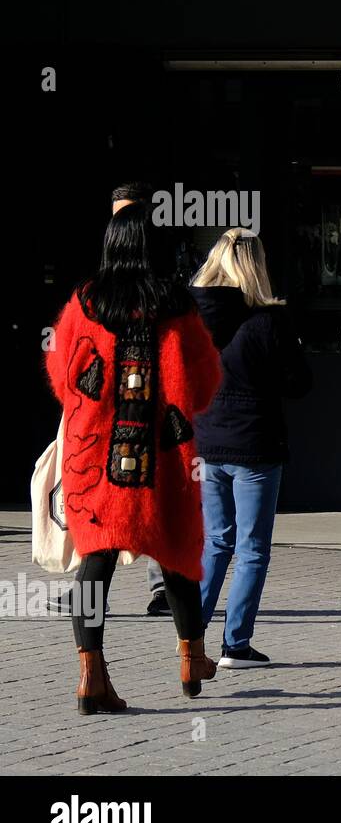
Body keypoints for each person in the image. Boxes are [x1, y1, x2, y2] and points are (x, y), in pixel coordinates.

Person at [45, 202, 223, 714]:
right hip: (162, 457)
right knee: (177, 555)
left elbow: (61, 373)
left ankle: (90, 674)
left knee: (94, 561)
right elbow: (206, 380)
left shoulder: (84, 302)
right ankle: (192, 658)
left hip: (94, 454)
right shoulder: (177, 304)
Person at [45, 182, 174, 617]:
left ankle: (159, 592)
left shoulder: (155, 289)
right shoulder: (101, 290)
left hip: (137, 419)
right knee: (102, 510)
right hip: (104, 421)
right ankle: (97, 595)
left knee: (147, 505)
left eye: (128, 216)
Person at [191, 229, 312, 668]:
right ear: (257, 265)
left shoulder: (194, 317)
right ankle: (235, 646)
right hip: (255, 444)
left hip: (207, 439)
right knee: (252, 548)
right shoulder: (270, 320)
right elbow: (299, 383)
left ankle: (192, 636)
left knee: (215, 543)